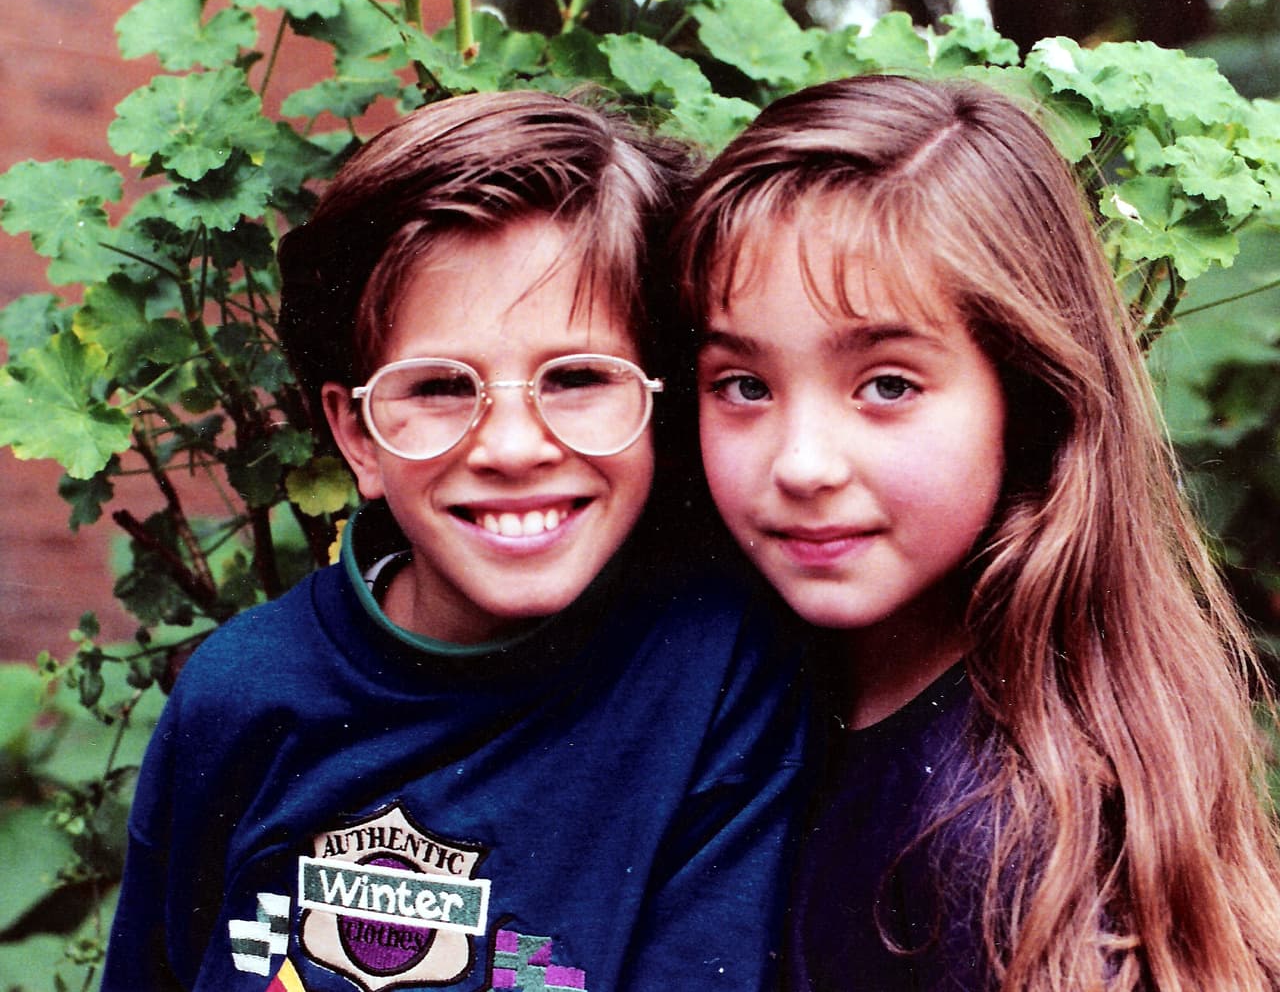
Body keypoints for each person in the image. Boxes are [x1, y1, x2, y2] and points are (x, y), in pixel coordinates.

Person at [102, 90, 806, 992]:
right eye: (437, 387)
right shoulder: (241, 694)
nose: (513, 448)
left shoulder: (717, 673)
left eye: (580, 376)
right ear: (357, 439)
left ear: (656, 399)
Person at [674, 74, 1280, 991]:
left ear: (1028, 398)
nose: (800, 464)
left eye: (887, 385)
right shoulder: (768, 678)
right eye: (744, 386)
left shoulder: (997, 846)